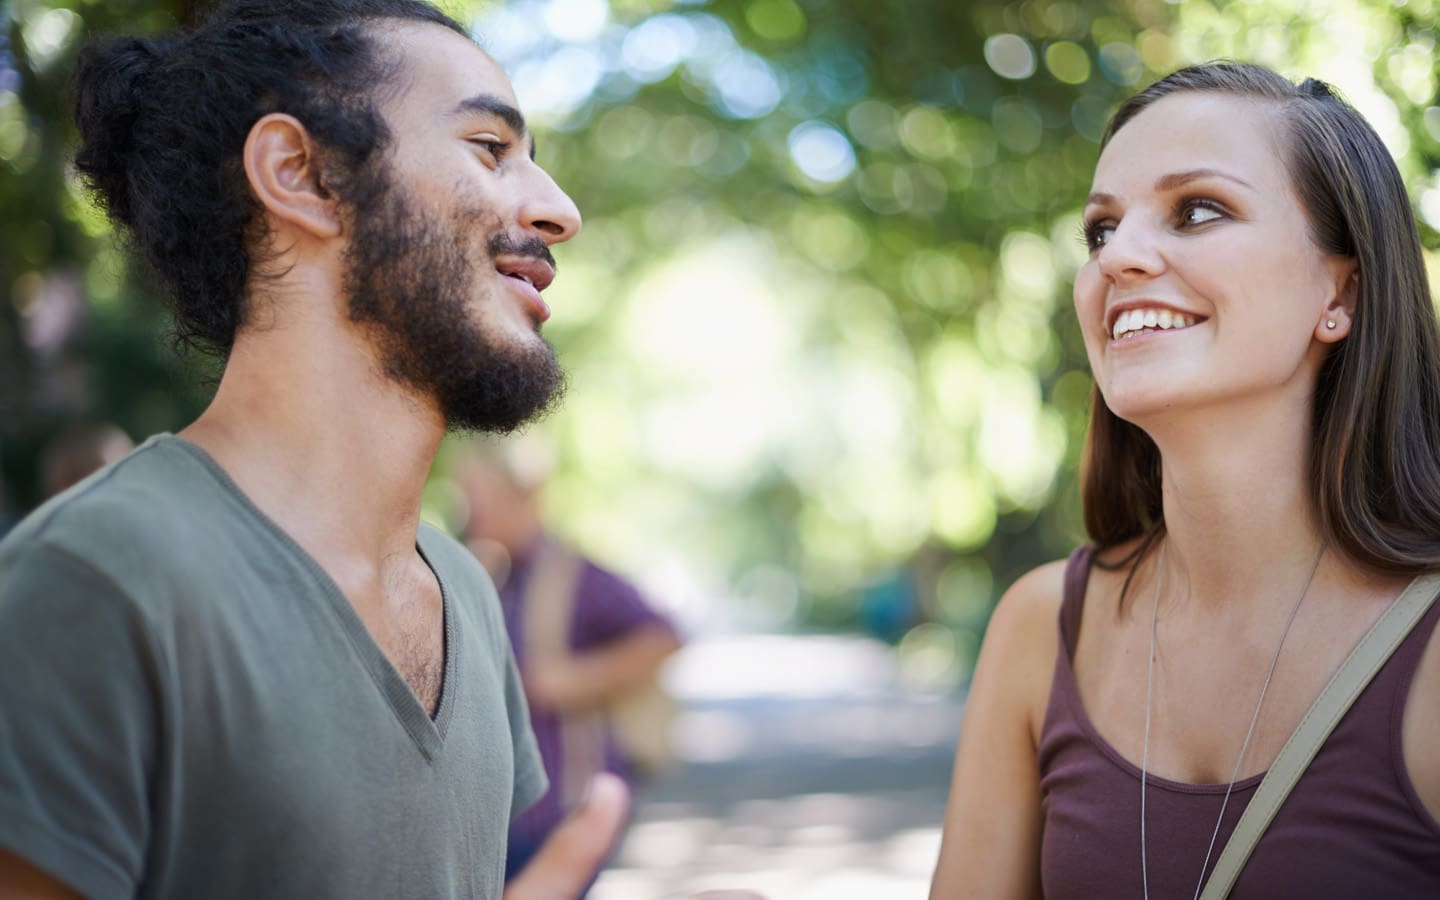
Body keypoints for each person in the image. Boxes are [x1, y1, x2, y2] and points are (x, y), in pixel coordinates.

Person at [0, 1, 630, 897]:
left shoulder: (465, 601)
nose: (558, 210)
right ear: (301, 174)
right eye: (491, 147)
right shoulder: (94, 584)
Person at [930, 62, 1440, 899]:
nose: (1118, 258)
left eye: (1198, 210)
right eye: (1100, 230)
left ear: (1339, 291)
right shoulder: (1040, 628)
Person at [452, 438, 683, 887]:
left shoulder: (574, 576)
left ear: (523, 495)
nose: (470, 509)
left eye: (481, 495)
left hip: (561, 806)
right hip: (506, 815)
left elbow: (662, 639)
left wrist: (576, 679)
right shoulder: (490, 573)